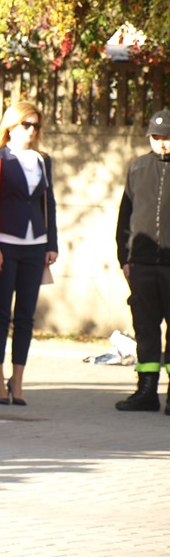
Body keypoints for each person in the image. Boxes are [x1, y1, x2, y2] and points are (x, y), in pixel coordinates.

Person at [0, 101, 58, 406]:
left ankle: (17, 380)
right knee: (1, 313)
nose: (31, 131)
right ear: (11, 126)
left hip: (35, 244)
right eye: (26, 124)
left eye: (36, 126)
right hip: (5, 242)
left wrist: (52, 243)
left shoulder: (43, 159)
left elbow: (48, 202)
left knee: (26, 316)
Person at [114, 110, 170, 413]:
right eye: (156, 137)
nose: (162, 143)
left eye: (167, 137)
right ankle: (146, 390)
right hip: (143, 265)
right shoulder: (137, 168)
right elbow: (125, 216)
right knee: (146, 329)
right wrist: (125, 258)